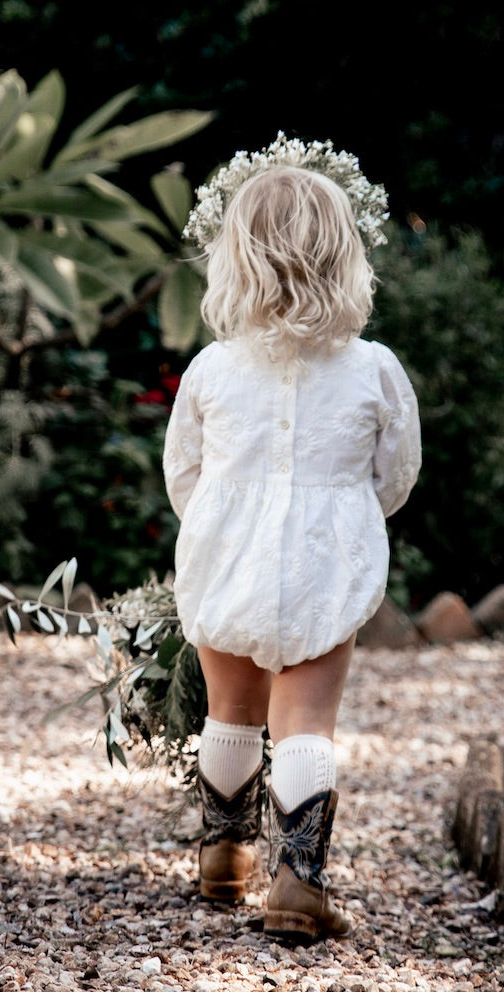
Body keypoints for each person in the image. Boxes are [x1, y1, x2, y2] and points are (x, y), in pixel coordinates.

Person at [163, 138, 422, 943]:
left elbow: (184, 474)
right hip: (324, 565)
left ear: (234, 261)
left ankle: (223, 857)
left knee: (231, 711)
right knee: (305, 721)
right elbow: (397, 475)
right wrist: (344, 517)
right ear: (345, 258)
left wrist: (220, 527)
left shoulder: (211, 368)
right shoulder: (375, 369)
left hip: (225, 558)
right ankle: (297, 883)